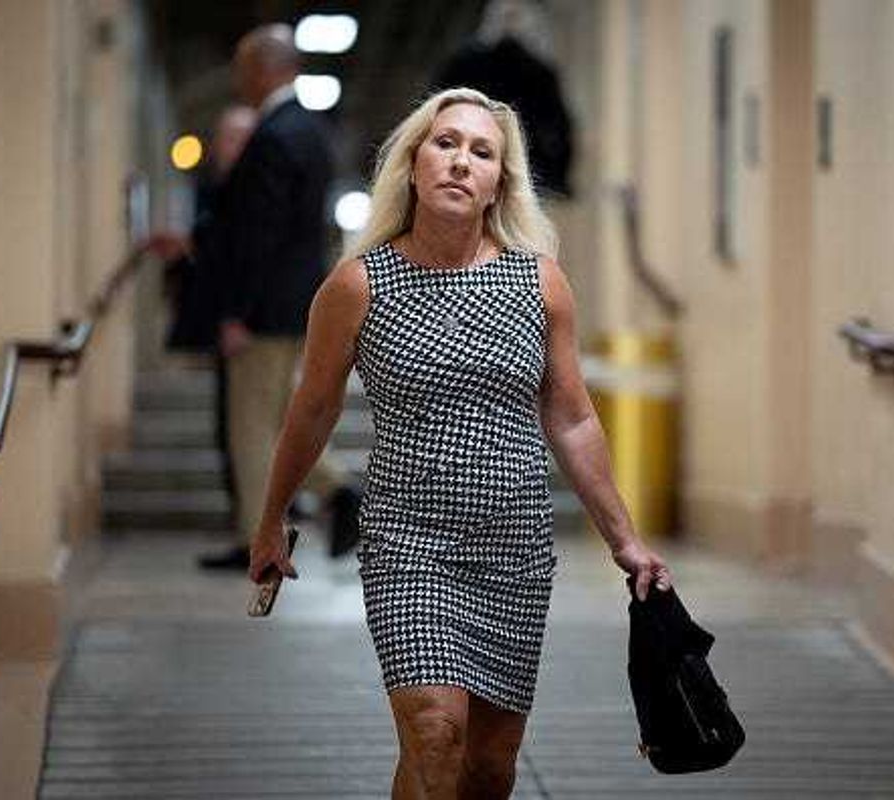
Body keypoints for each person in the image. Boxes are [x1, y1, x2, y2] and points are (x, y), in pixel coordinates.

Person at [247, 87, 672, 799]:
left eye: (482, 153)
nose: (460, 162)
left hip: (514, 547)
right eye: (445, 144)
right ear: (413, 163)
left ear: (497, 185)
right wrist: (270, 520)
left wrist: (623, 539)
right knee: (435, 733)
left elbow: (572, 418)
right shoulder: (358, 285)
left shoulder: (539, 283)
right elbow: (312, 409)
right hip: (409, 543)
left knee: (487, 765)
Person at [199, 24, 361, 571]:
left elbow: (258, 234)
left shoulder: (272, 134)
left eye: (243, 67)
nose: (238, 78)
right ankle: (333, 492)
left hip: (262, 311)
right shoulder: (312, 131)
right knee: (277, 418)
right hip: (296, 301)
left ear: (264, 68)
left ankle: (259, 539)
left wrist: (237, 311)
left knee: (252, 427)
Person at [155, 105, 257, 537]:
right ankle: (246, 521)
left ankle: (328, 493)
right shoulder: (219, 188)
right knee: (231, 427)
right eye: (224, 138)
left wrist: (240, 316)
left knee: (255, 429)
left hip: (252, 325)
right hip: (225, 321)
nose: (225, 147)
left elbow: (253, 255)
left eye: (236, 138)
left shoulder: (255, 188)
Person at [434, 0, 574, 197]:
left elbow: (558, 128)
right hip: (492, 159)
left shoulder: (538, 72)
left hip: (515, 164)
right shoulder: (467, 64)